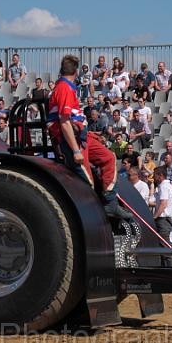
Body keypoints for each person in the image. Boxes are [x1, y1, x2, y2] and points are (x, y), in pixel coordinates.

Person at [47, 54, 131, 219]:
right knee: (87, 182)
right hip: (72, 140)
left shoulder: (68, 87)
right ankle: (90, 215)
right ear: (76, 72)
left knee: (109, 157)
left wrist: (90, 134)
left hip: (83, 136)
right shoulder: (64, 88)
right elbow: (64, 122)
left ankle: (110, 204)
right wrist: (75, 151)